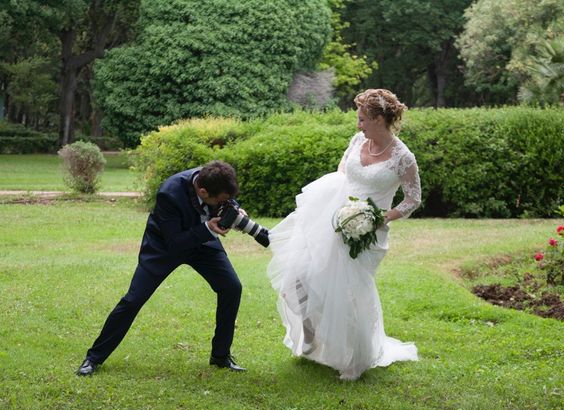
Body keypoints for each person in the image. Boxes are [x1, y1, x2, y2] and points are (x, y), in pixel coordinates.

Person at [267, 89, 421, 380]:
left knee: (348, 290)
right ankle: (311, 333)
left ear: (378, 119)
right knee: (298, 276)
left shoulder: (403, 157)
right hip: (333, 214)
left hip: (367, 231)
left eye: (363, 119)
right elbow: (342, 170)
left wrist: (380, 218)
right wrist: (338, 207)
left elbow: (413, 198)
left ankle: (355, 358)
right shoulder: (357, 140)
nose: (358, 125)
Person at [77, 161, 246, 375]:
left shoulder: (215, 179)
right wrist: (207, 228)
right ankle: (93, 358)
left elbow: (226, 198)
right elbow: (175, 241)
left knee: (232, 287)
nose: (223, 202)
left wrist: (235, 210)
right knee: (133, 299)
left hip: (204, 244)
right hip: (164, 246)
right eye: (220, 200)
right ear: (202, 191)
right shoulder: (170, 192)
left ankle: (220, 356)